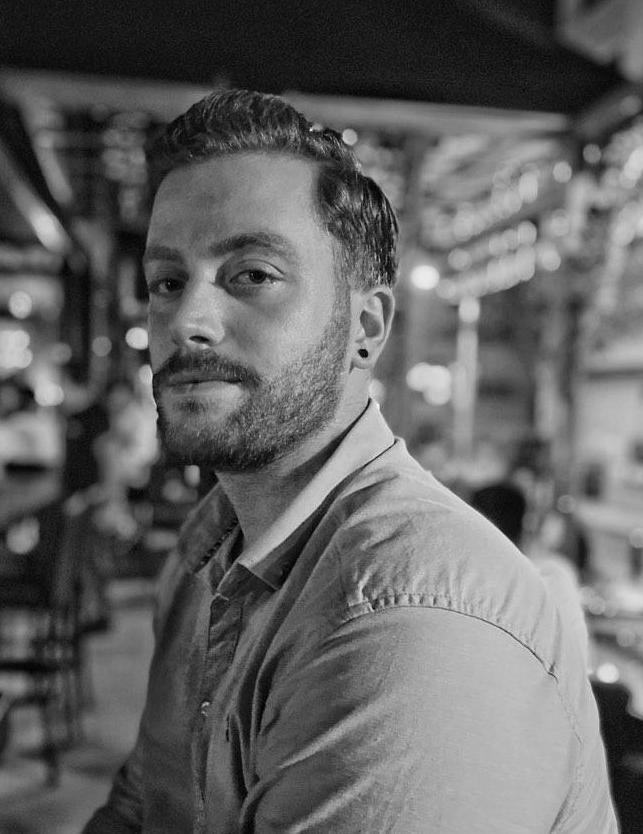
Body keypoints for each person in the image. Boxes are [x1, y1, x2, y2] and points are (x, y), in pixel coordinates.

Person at [82, 90, 617, 833]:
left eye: (252, 274)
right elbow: (142, 805)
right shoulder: (207, 549)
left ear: (365, 327)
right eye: (168, 282)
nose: (186, 322)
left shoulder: (412, 620)